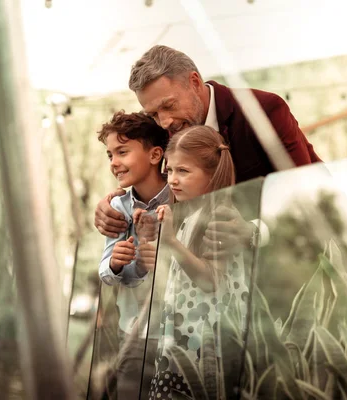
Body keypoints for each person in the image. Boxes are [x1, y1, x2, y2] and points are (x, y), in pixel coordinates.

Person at [94, 45, 321, 255]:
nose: (164, 122)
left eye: (169, 106)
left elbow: (302, 188)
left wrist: (253, 231)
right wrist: (114, 205)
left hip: (303, 249)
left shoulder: (263, 109)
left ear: (194, 82)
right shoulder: (164, 129)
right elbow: (149, 176)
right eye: (153, 114)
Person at [147, 125, 249, 399]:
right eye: (169, 171)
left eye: (183, 171)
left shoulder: (220, 215)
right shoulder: (191, 215)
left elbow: (211, 280)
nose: (172, 180)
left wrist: (170, 242)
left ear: (212, 174)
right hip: (183, 339)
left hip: (204, 346)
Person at [96, 110, 169, 399]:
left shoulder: (182, 198)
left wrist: (161, 259)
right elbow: (105, 273)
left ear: (154, 155)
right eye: (110, 155)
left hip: (179, 333)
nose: (114, 163)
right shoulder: (117, 208)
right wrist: (115, 264)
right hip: (134, 334)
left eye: (122, 152)